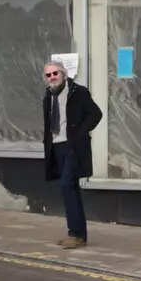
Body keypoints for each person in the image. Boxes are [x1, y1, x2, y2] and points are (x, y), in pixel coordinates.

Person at [41, 59, 102, 248]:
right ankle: (78, 234)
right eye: (48, 75)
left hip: (72, 147)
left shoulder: (78, 92)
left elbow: (96, 114)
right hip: (56, 147)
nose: (52, 77)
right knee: (69, 188)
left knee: (67, 185)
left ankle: (75, 233)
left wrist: (80, 133)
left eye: (55, 73)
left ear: (63, 74)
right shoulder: (48, 97)